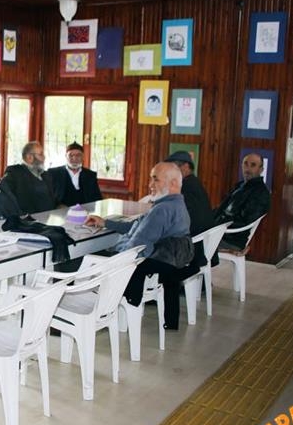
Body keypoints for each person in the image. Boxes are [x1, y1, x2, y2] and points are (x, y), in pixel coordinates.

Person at [85, 162, 193, 329]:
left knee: (85, 259)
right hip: (168, 262)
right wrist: (105, 222)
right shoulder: (177, 204)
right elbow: (138, 225)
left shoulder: (161, 209)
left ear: (173, 183)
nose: (150, 185)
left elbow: (135, 247)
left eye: (155, 180)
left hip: (142, 264)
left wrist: (111, 254)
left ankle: (88, 310)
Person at [165, 150, 213, 268]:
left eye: (174, 167)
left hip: (192, 245)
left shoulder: (186, 187)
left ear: (186, 167)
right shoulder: (193, 183)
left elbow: (182, 220)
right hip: (201, 240)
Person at [214, 152, 271, 251]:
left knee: (190, 244)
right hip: (219, 231)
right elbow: (222, 209)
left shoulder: (261, 193)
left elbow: (246, 221)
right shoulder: (241, 186)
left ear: (261, 169)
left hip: (230, 239)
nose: (248, 169)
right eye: (245, 164)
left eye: (253, 165)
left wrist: (217, 225)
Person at [0, 141, 57, 214]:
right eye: (41, 154)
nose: (44, 157)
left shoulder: (45, 175)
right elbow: (7, 198)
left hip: (48, 218)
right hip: (28, 220)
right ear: (29, 157)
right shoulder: (15, 173)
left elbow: (52, 198)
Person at [47, 141, 103, 206]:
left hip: (85, 212)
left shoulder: (90, 175)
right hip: (61, 213)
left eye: (78, 155)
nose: (74, 158)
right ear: (66, 156)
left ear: (83, 157)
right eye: (71, 155)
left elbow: (97, 198)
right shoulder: (54, 173)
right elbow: (48, 196)